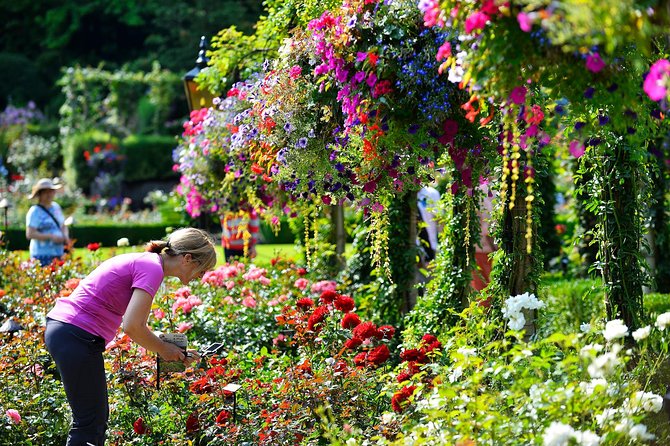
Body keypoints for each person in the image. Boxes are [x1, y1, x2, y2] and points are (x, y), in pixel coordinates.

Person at [44, 227, 217, 445]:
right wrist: (164, 349)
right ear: (188, 258)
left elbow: (137, 324)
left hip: (70, 332)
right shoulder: (152, 268)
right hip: (76, 335)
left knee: (92, 420)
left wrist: (175, 351)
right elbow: (133, 326)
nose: (201, 277)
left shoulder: (149, 263)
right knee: (90, 424)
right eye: (203, 270)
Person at [25, 177, 70, 265]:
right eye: (46, 192)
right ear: (40, 194)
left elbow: (63, 225)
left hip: (58, 253)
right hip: (41, 255)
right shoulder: (34, 211)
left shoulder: (56, 207)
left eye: (51, 191)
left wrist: (65, 236)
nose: (49, 194)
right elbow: (30, 234)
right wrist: (51, 237)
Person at [417, 185, 441, 266]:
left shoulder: (432, 193)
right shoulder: (404, 194)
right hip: (411, 248)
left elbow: (440, 220)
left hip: (430, 247)